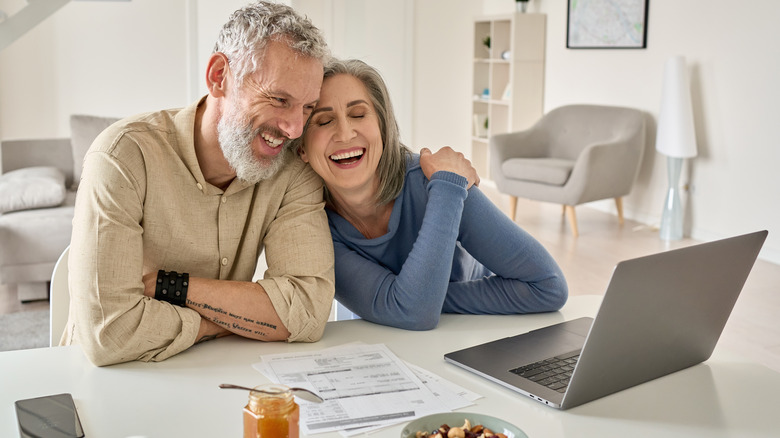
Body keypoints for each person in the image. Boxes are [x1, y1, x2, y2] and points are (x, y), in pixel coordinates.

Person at [62, 1, 335, 366]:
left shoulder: (292, 170)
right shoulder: (123, 155)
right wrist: (230, 321)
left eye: (307, 108)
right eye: (279, 99)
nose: (294, 129)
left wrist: (169, 286)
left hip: (211, 374)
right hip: (104, 379)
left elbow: (307, 310)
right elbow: (109, 333)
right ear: (219, 76)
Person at [296, 59, 568, 330]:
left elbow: (548, 286)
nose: (345, 133)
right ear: (302, 150)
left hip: (469, 334)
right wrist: (414, 300)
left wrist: (417, 298)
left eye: (358, 115)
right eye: (324, 121)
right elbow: (413, 311)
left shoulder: (440, 183)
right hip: (382, 345)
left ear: (383, 127)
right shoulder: (311, 227)